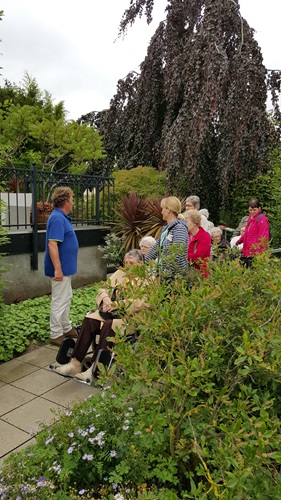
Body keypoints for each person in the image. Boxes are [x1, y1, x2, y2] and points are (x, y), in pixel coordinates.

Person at [54, 249, 149, 382]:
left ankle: (94, 367)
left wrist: (119, 304)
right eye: (126, 263)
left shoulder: (147, 279)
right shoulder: (121, 273)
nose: (128, 266)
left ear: (141, 264)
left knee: (109, 326)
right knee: (90, 319)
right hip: (112, 313)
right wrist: (106, 299)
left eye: (131, 263)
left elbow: (143, 302)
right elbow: (103, 288)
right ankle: (75, 364)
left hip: (131, 318)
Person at [44, 187, 79, 346]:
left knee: (67, 298)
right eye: (72, 199)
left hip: (65, 269)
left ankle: (66, 327)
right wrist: (58, 268)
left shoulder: (61, 217)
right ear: (66, 201)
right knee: (59, 300)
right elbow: (52, 244)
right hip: (61, 270)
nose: (73, 202)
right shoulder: (58, 218)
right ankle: (56, 333)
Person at [145, 196, 188, 280]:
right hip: (163, 274)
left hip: (175, 276)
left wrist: (167, 272)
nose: (161, 212)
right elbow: (156, 248)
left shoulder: (179, 228)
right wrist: (143, 261)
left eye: (163, 209)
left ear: (168, 210)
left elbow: (178, 253)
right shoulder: (166, 228)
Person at [235, 198, 270, 268]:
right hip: (247, 251)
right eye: (250, 210)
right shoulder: (250, 218)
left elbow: (263, 237)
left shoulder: (262, 219)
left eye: (254, 210)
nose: (252, 212)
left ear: (259, 208)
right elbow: (248, 233)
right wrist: (239, 241)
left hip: (255, 253)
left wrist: (258, 252)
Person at [185, 209, 211, 277]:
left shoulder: (205, 236)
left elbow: (197, 256)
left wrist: (182, 256)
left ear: (195, 223)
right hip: (186, 271)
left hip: (200, 273)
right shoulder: (184, 235)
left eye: (186, 221)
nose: (184, 224)